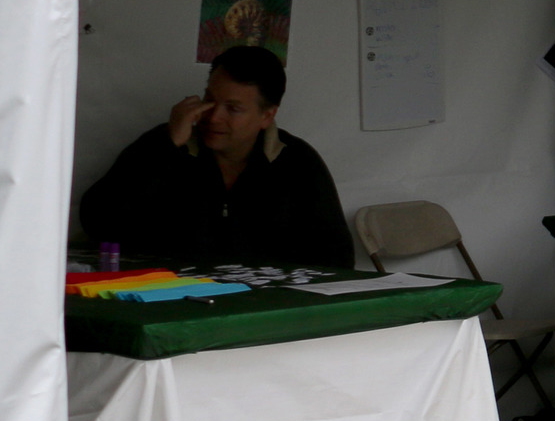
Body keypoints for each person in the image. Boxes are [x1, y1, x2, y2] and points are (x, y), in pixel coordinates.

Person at [79, 46, 352, 267]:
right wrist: (167, 145)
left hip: (260, 311)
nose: (213, 116)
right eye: (210, 100)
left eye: (233, 109)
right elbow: (97, 220)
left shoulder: (298, 163)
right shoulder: (165, 145)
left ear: (267, 116)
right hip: (166, 302)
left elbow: (336, 258)